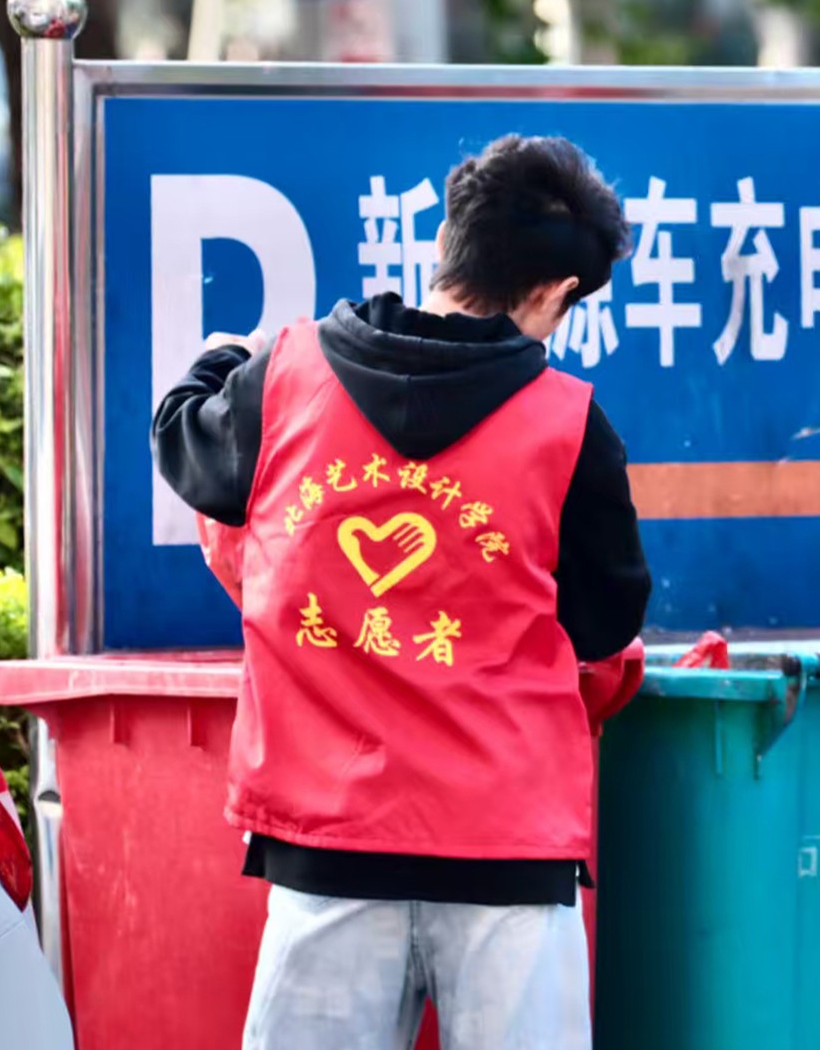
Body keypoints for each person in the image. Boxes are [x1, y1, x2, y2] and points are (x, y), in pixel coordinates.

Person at [151, 135, 650, 1050]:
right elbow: (605, 621)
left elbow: (184, 442)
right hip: (508, 860)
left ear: (444, 246)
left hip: (327, 851)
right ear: (555, 294)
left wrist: (221, 356)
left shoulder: (285, 378)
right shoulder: (572, 425)